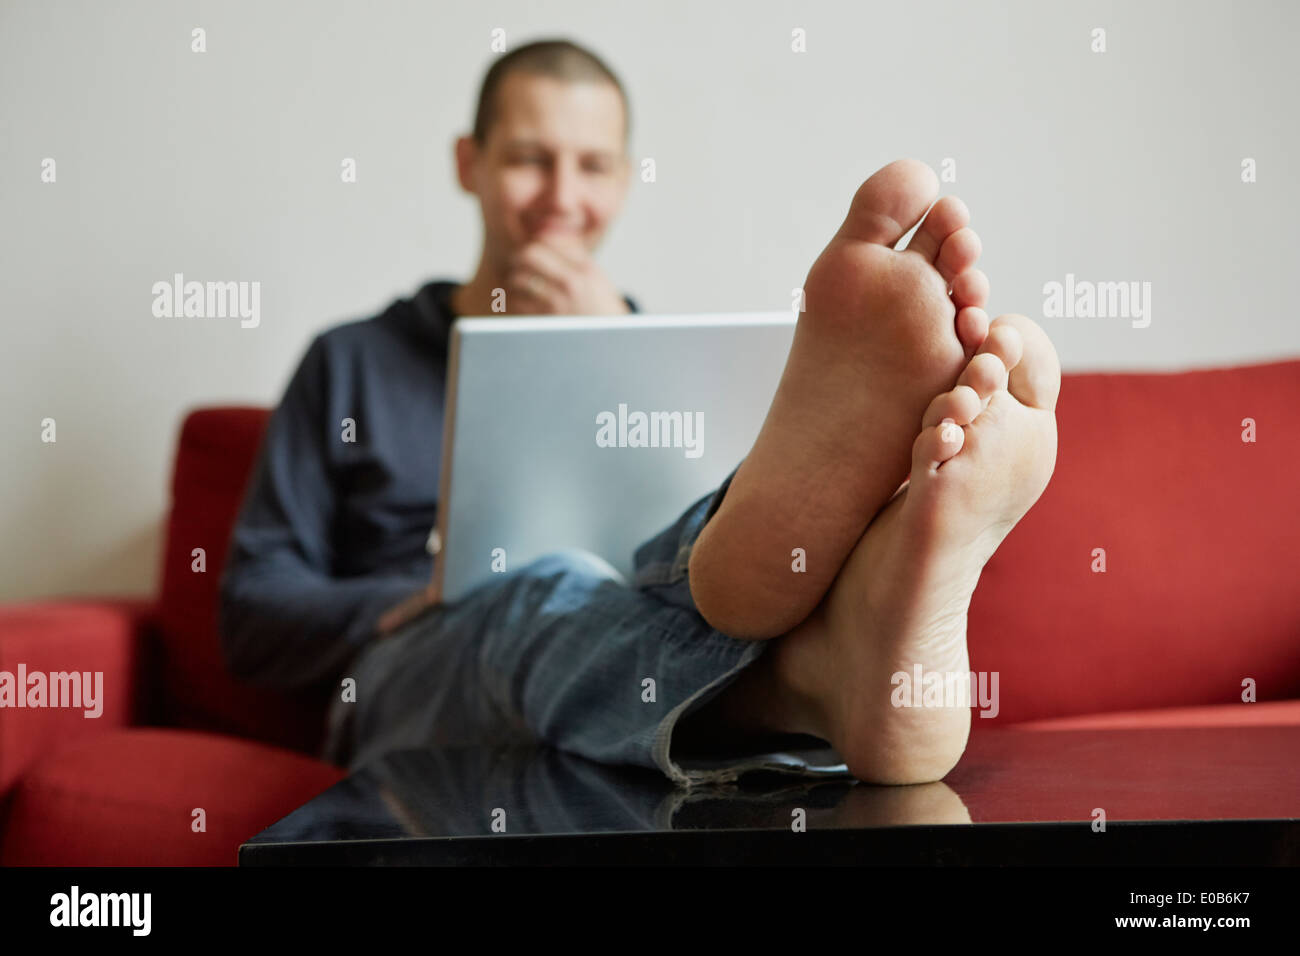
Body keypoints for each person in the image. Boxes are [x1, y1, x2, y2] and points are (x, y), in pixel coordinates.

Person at [218, 38, 1061, 788]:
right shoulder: (351, 360)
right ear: (469, 163)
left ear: (623, 181)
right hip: (407, 681)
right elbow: (253, 613)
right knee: (541, 588)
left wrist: (613, 345)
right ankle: (810, 674)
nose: (561, 195)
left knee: (681, 563)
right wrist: (412, 597)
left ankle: (832, 666)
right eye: (528, 159)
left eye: (591, 166)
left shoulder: (664, 354)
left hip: (619, 626)